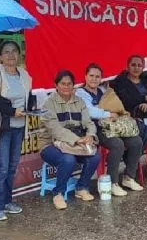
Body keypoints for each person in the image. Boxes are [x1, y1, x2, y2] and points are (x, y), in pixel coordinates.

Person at [0, 41, 32, 221]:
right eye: (6, 52)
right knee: (1, 167)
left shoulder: (25, 75)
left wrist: (32, 109)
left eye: (14, 52)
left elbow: (28, 99)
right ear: (0, 56)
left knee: (11, 167)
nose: (11, 55)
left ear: (19, 55)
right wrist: (12, 111)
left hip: (19, 127)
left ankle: (6, 201)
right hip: (2, 127)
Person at [77, 63, 144, 196]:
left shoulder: (104, 90)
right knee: (117, 144)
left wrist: (115, 113)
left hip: (113, 125)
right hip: (95, 128)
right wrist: (108, 113)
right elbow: (90, 112)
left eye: (97, 76)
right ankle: (112, 182)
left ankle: (128, 177)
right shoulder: (80, 93)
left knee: (136, 141)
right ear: (85, 76)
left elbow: (116, 105)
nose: (94, 79)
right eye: (91, 76)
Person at [39, 70, 101, 210]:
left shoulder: (78, 101)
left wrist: (90, 135)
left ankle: (81, 187)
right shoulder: (48, 103)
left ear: (74, 85)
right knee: (68, 159)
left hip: (75, 143)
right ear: (56, 85)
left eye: (69, 84)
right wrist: (77, 140)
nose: (66, 87)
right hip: (50, 144)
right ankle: (58, 193)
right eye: (63, 84)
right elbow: (56, 130)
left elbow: (88, 123)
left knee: (95, 156)